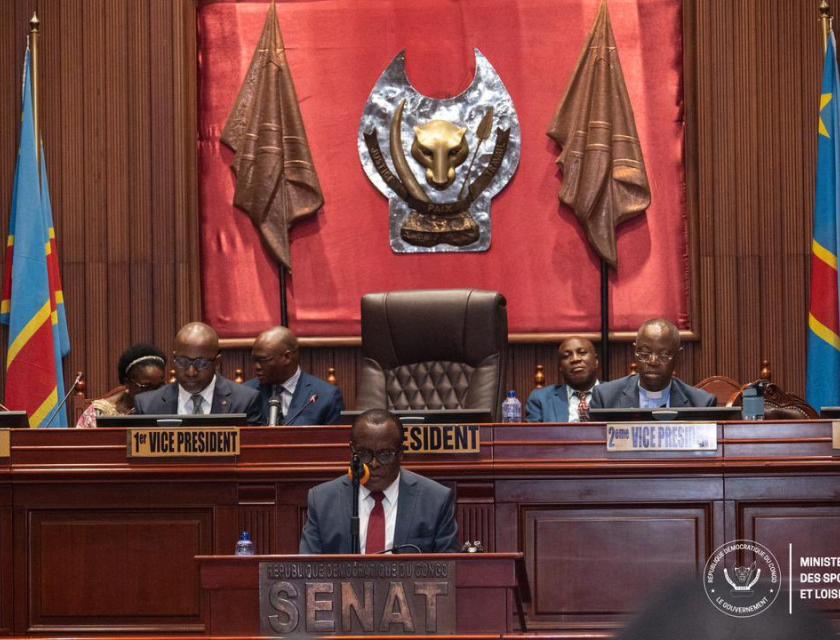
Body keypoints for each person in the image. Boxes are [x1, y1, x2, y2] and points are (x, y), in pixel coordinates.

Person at [299, 409, 459, 554]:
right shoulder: (322, 501)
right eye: (364, 454)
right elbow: (308, 572)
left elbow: (451, 572)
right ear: (351, 451)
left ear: (401, 453)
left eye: (385, 454)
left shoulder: (435, 500)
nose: (374, 464)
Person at [134, 321, 263, 425]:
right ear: (174, 359)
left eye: (201, 363)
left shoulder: (245, 402)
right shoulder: (147, 406)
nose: (191, 372)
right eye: (183, 362)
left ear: (217, 361)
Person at [591, 318, 716, 409]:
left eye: (664, 355)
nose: (653, 361)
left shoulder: (701, 404)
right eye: (645, 354)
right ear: (635, 352)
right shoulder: (605, 399)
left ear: (678, 356)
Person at [244, 326, 344, 425]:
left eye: (263, 360)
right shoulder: (247, 394)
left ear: (287, 357)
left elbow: (334, 439)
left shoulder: (326, 397)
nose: (256, 367)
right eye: (254, 360)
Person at [75, 344, 167, 428]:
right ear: (127, 383)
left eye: (160, 386)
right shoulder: (98, 412)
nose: (155, 393)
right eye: (146, 387)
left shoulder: (170, 405)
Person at [526, 337, 599, 422]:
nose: (575, 359)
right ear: (560, 367)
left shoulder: (615, 395)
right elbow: (533, 434)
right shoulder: (541, 399)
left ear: (596, 361)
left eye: (582, 353)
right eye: (566, 356)